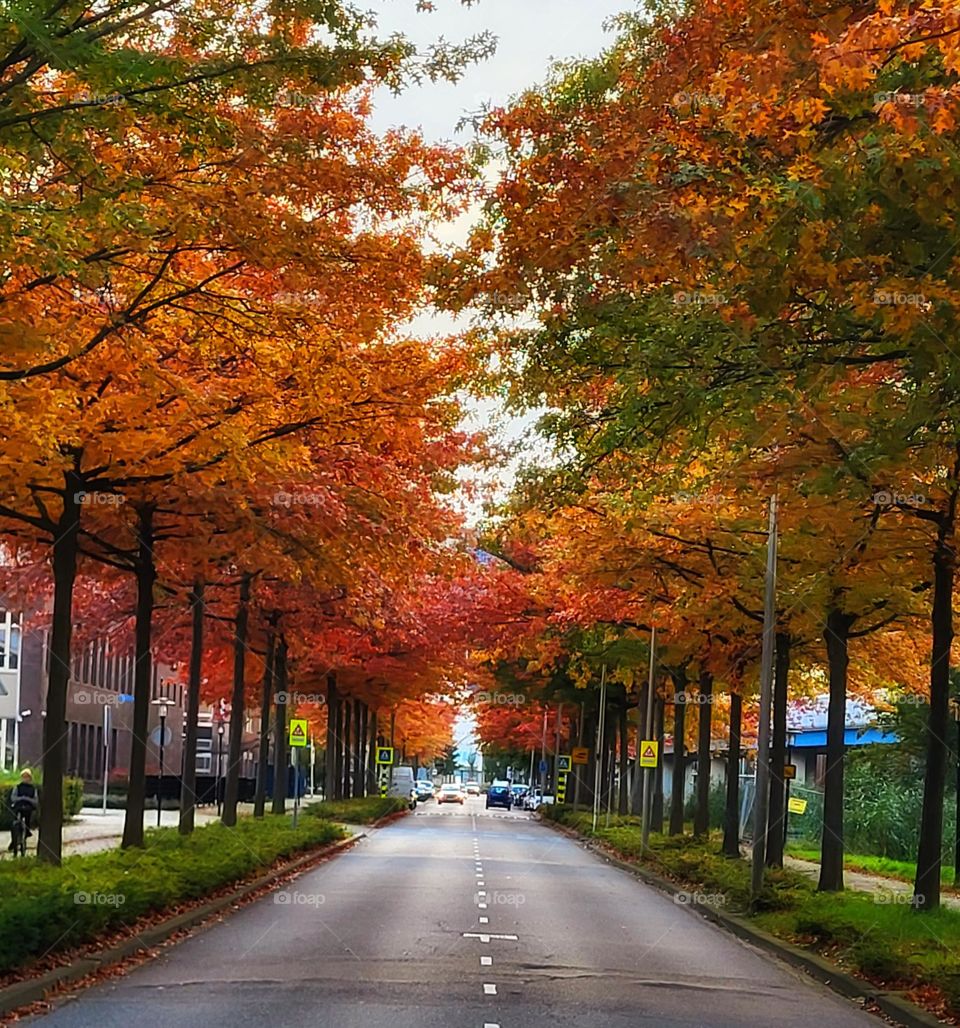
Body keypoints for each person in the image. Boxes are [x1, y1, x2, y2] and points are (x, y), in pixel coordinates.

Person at [8, 769, 38, 851]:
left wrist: (27, 800)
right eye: (24, 777)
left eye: (27, 777)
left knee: (28, 817)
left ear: (30, 778)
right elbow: (13, 798)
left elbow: (35, 801)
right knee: (14, 823)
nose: (25, 779)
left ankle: (27, 831)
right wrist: (22, 798)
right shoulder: (17, 787)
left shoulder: (33, 789)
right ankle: (14, 839)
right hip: (19, 807)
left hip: (28, 808)